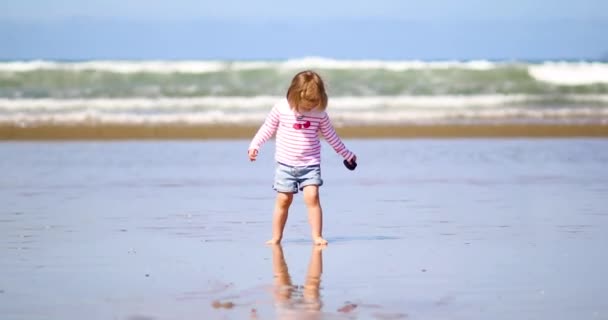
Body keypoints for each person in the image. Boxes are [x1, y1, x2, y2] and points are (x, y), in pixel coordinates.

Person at [248, 70, 357, 245]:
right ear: (293, 95)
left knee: (312, 196)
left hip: (310, 164)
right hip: (285, 164)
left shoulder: (319, 113)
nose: (309, 108)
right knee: (283, 199)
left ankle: (317, 236)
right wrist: (255, 145)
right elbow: (267, 128)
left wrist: (346, 154)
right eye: (306, 105)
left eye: (314, 104)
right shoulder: (281, 108)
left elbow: (331, 136)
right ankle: (276, 237)